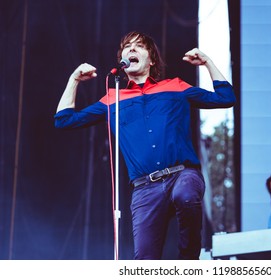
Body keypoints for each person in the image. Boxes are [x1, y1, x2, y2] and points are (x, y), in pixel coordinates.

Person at [54, 31, 236, 259]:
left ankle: (189, 261)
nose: (130, 49)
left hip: (182, 174)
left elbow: (226, 97)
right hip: (144, 188)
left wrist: (207, 62)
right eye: (126, 47)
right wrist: (74, 79)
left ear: (151, 59)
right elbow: (64, 121)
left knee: (186, 195)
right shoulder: (113, 98)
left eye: (138, 46)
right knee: (143, 263)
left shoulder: (176, 86)